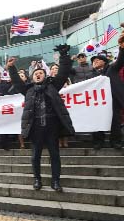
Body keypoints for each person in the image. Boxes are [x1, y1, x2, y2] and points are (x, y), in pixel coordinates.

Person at [7, 44, 75, 192]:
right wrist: (11, 68)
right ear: (32, 77)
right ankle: (37, 179)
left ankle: (55, 181)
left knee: (55, 155)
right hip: (35, 128)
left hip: (52, 127)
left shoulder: (53, 86)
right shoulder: (28, 90)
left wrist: (64, 55)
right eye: (35, 73)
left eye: (41, 73)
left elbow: (63, 73)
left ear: (45, 75)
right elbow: (17, 82)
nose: (38, 74)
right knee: (35, 156)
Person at [90, 36, 124, 150]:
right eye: (93, 61)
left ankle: (116, 141)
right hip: (96, 102)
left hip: (112, 99)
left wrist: (122, 48)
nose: (95, 62)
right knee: (96, 121)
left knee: (115, 121)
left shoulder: (112, 69)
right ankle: (98, 142)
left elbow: (120, 60)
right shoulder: (90, 75)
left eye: (97, 60)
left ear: (104, 62)